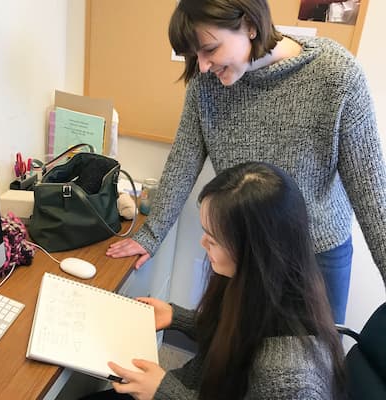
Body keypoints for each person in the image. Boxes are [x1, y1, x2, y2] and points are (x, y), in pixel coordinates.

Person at [106, 0, 386, 324]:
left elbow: (373, 197)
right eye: (195, 55)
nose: (204, 65)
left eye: (210, 49)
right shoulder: (205, 84)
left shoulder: (336, 75)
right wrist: (151, 235)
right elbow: (182, 162)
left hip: (315, 256)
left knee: (309, 366)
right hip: (238, 251)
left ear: (250, 25)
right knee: (231, 355)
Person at [86, 161, 346, 400]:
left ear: (254, 252)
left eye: (213, 239)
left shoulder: (288, 381)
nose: (203, 243)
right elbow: (239, 336)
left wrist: (164, 391)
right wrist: (178, 317)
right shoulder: (263, 288)